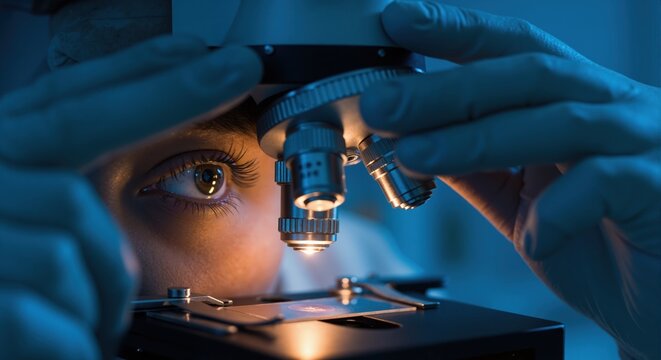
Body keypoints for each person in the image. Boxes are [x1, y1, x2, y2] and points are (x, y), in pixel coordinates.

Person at [0, 1, 658, 359]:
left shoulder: (357, 272)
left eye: (203, 178)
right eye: (53, 184)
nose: (93, 261)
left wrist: (647, 338)